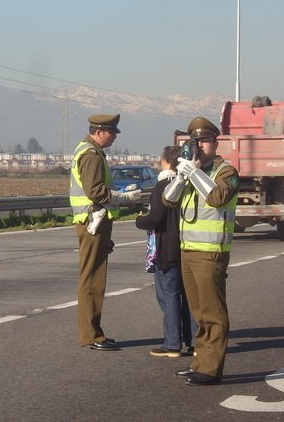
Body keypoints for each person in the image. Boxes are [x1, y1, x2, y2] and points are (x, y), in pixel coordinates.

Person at [163, 116, 239, 386]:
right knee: (198, 312)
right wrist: (182, 176)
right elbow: (168, 200)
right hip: (188, 251)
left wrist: (194, 174)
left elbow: (217, 197)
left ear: (216, 143)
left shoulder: (226, 172)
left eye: (205, 141)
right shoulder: (191, 172)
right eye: (195, 141)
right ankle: (200, 362)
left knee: (212, 312)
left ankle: (211, 369)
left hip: (210, 252)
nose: (200, 146)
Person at [70, 114, 141, 351]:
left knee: (92, 278)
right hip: (93, 221)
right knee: (93, 280)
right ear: (99, 132)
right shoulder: (91, 154)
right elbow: (96, 192)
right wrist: (124, 198)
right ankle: (92, 335)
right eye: (111, 133)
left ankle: (92, 332)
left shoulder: (90, 151)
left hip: (93, 221)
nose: (114, 137)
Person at [135, 146, 195, 358]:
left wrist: (140, 220)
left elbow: (156, 218)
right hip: (188, 247)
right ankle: (195, 343)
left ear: (167, 161)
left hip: (166, 248)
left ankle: (172, 344)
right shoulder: (189, 184)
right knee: (190, 297)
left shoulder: (163, 186)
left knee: (169, 295)